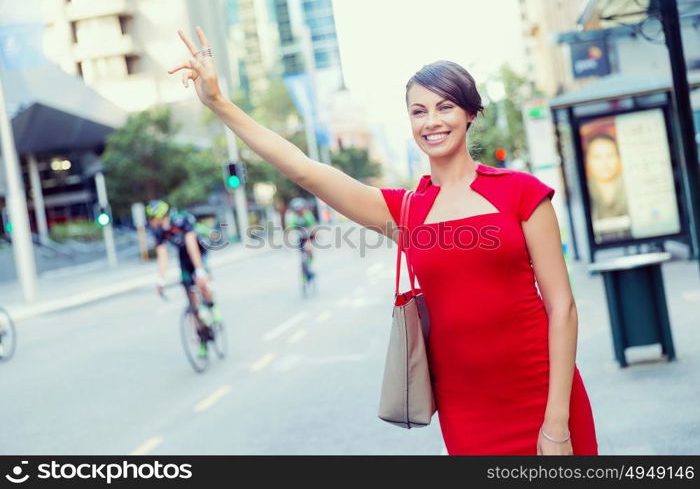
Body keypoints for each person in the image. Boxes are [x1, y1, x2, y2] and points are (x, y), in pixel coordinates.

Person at [169, 28, 598, 455]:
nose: (432, 121)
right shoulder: (404, 212)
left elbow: (563, 307)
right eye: (418, 111)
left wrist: (557, 422)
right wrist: (219, 103)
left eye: (445, 107)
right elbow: (302, 169)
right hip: (466, 407)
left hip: (543, 392)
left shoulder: (521, 192)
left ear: (470, 113)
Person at [146, 199, 221, 358]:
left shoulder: (181, 219)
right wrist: (161, 279)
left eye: (152, 218)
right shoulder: (158, 231)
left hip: (198, 252)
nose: (151, 222)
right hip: (183, 257)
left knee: (202, 284)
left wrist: (200, 270)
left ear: (160, 216)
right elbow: (163, 255)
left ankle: (212, 307)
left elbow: (191, 243)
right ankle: (202, 339)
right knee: (190, 295)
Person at [584, 133, 629, 221]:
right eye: (597, 157)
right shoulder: (582, 189)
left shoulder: (630, 183)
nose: (604, 162)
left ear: (619, 158)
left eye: (610, 155)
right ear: (587, 160)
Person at [285, 197, 318, 282]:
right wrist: (288, 240)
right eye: (297, 210)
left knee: (309, 249)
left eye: (300, 209)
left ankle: (310, 260)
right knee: (302, 256)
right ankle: (304, 272)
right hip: (300, 237)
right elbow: (290, 229)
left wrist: (315, 235)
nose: (299, 211)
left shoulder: (307, 215)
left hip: (309, 235)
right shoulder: (293, 217)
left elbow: (313, 226)